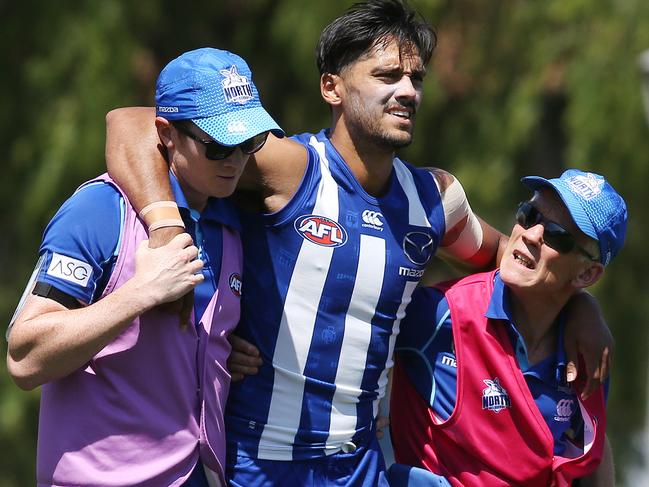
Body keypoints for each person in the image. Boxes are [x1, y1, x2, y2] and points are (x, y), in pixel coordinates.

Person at [104, 1, 612, 484]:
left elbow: (517, 261)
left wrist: (583, 307)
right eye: (387, 76)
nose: (408, 91)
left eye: (416, 79)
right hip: (258, 465)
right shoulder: (288, 169)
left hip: (361, 466)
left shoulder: (435, 198)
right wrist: (167, 230)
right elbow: (129, 123)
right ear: (332, 87)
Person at [6, 48, 283, 487]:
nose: (235, 160)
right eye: (218, 144)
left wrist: (217, 347)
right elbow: (24, 357)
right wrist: (139, 293)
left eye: (250, 142)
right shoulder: (99, 209)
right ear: (166, 133)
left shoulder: (229, 220)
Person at [389, 169, 626, 486]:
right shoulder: (439, 314)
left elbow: (591, 454)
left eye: (556, 235)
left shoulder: (588, 351)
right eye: (529, 215)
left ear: (586, 275)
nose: (530, 234)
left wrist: (586, 307)